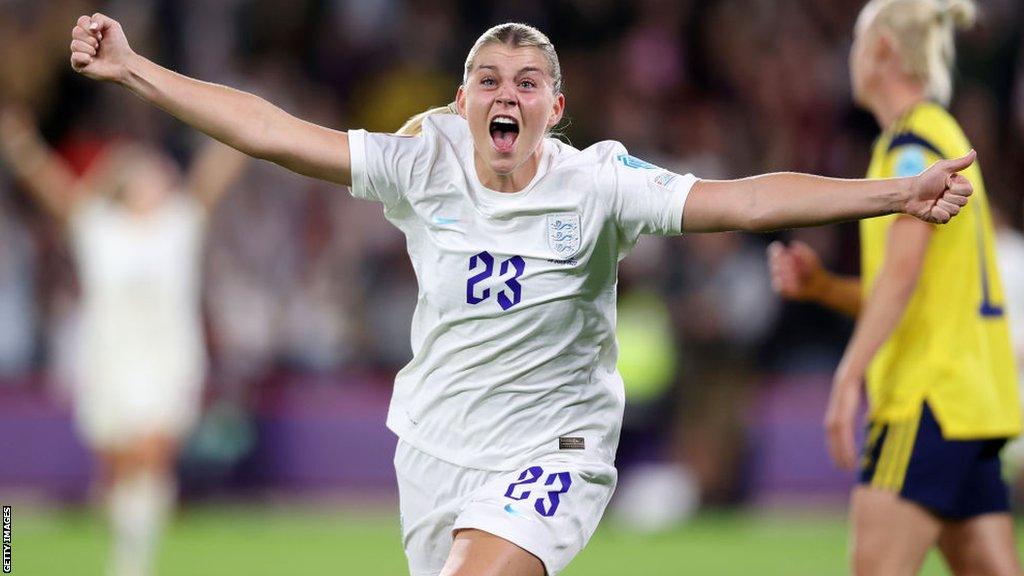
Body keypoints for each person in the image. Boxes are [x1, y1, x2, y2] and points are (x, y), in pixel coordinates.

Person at [68, 14, 976, 576]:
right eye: (490, 81)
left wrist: (894, 193)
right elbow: (270, 132)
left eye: (528, 82)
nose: (508, 94)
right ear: (463, 101)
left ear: (556, 106)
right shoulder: (420, 162)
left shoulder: (599, 185)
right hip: (433, 446)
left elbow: (742, 199)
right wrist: (137, 69)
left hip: (557, 447)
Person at [767, 1, 1023, 575]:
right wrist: (826, 287)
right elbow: (907, 292)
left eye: (858, 42)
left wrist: (848, 373)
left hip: (924, 400)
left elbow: (904, 274)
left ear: (881, 48)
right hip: (973, 405)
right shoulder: (943, 135)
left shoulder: (911, 150)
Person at [0, 105, 246, 576]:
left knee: (151, 453)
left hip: (167, 355)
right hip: (108, 355)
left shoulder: (178, 226)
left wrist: (244, 126)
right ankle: (120, 541)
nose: (153, 185)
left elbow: (215, 176)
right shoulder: (99, 229)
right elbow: (51, 186)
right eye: (143, 177)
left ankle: (132, 564)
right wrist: (20, 145)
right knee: (118, 470)